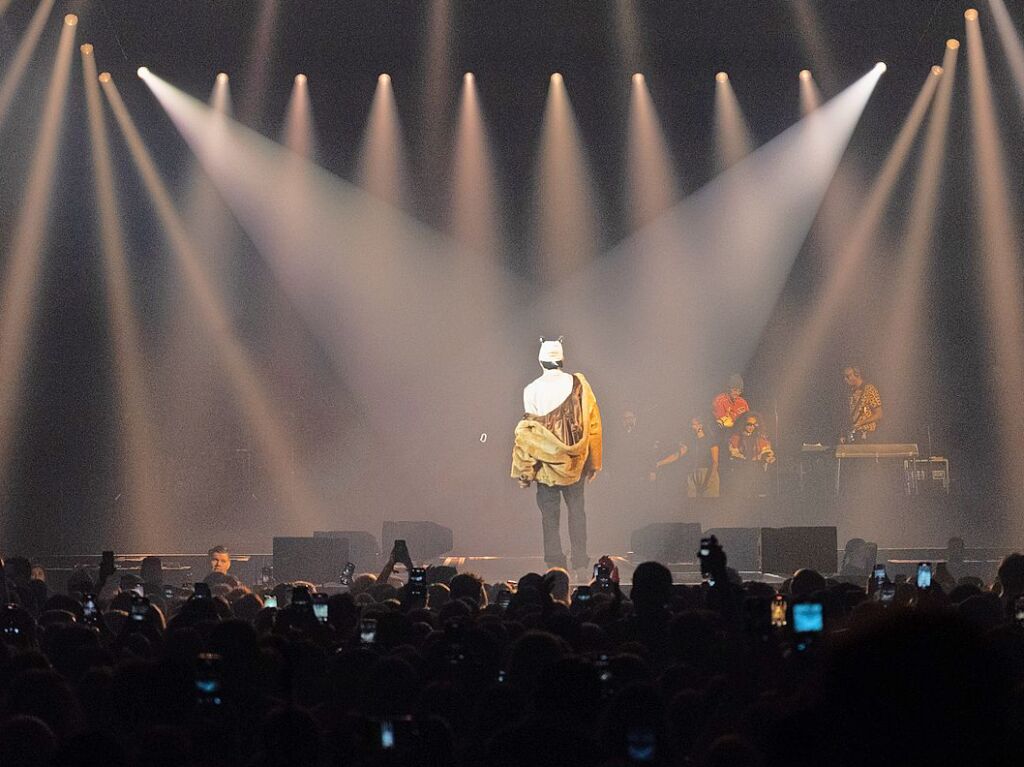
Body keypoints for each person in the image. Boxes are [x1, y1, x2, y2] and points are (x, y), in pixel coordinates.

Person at [512, 337, 602, 576]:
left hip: (545, 467)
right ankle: (580, 560)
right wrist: (594, 462)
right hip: (576, 463)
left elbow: (529, 434)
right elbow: (593, 424)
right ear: (562, 359)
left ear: (540, 361)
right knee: (577, 512)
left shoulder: (531, 390)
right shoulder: (580, 385)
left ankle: (554, 562)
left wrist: (525, 472)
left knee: (549, 517)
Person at [727, 412, 775, 497]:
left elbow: (766, 453)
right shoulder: (735, 438)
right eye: (749, 424)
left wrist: (767, 458)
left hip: (757, 472)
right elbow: (733, 455)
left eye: (754, 425)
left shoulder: (760, 439)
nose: (751, 427)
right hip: (741, 473)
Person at [842, 365, 883, 442]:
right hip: (853, 434)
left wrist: (861, 423)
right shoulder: (850, 392)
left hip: (867, 434)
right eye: (844, 377)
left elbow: (879, 414)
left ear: (857, 375)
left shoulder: (869, 389)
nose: (845, 379)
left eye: (848, 376)